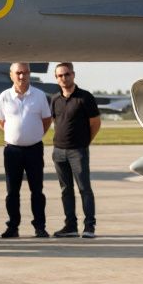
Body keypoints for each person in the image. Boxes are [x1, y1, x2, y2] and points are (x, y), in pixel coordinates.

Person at [0, 62, 53, 238]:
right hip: (12, 151)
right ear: (11, 75)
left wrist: (32, 134)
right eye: (18, 73)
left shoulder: (39, 95)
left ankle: (40, 226)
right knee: (12, 191)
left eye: (25, 72)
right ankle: (13, 226)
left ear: (29, 74)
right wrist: (15, 134)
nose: (22, 76)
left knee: (37, 190)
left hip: (34, 150)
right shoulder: (4, 96)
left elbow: (47, 120)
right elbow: (0, 121)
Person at [49, 62, 102, 238]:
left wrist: (85, 141)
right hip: (58, 152)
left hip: (77, 151)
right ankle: (70, 226)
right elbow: (55, 121)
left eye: (66, 74)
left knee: (84, 188)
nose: (64, 78)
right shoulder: (55, 99)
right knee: (65, 190)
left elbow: (95, 123)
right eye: (60, 76)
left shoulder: (85, 97)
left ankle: (89, 227)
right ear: (56, 78)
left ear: (73, 75)